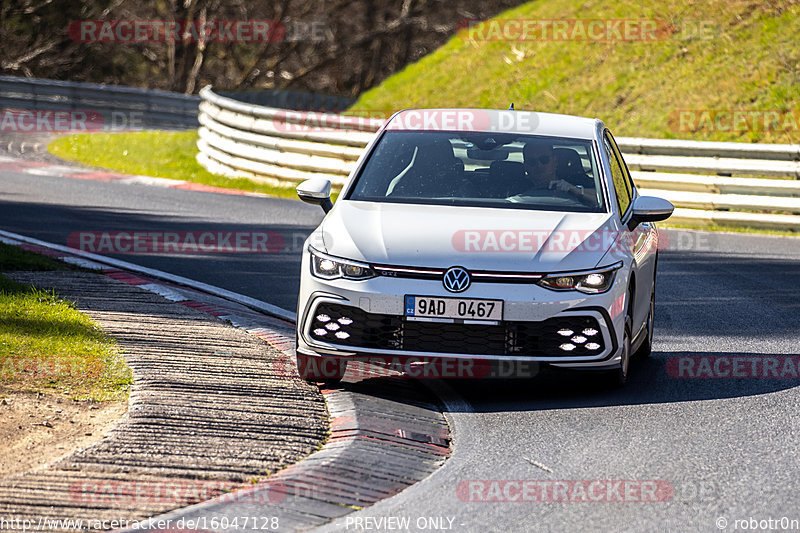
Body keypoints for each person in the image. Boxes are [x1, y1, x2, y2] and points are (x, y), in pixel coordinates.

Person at [521, 140, 595, 203]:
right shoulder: (515, 186)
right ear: (525, 165)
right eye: (532, 161)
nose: (539, 165)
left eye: (544, 159)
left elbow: (602, 197)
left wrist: (574, 190)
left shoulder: (578, 181)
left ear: (555, 161)